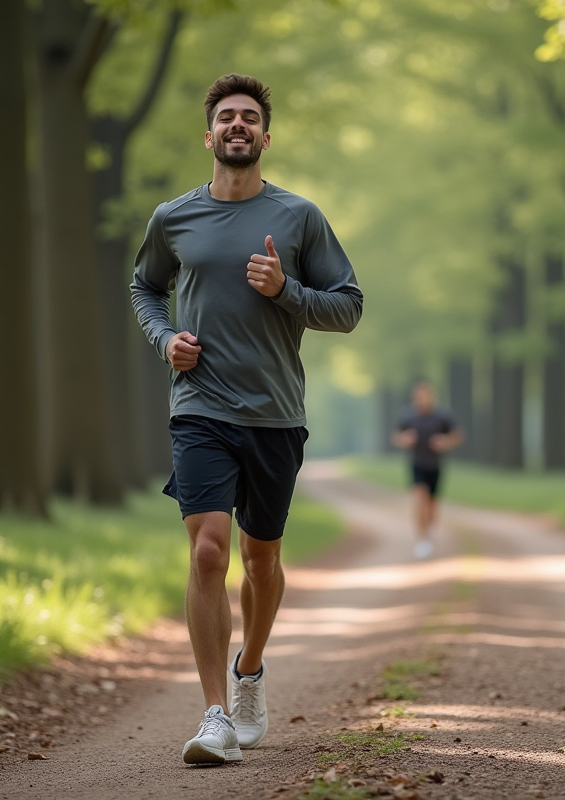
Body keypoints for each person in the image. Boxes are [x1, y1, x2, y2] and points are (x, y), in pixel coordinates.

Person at [129, 73, 363, 766]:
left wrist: (285, 289)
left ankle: (250, 671)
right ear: (209, 135)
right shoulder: (174, 218)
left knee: (263, 562)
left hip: (275, 414)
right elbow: (145, 286)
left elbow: (347, 307)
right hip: (199, 406)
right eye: (227, 116)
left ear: (265, 136)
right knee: (207, 550)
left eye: (250, 117)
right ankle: (214, 718)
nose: (238, 125)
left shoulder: (299, 218)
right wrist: (164, 339)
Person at [392, 380, 462, 560]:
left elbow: (457, 435)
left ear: (431, 397)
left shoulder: (442, 416)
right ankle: (422, 539)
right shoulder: (408, 416)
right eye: (417, 397)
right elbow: (396, 436)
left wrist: (445, 442)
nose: (420, 400)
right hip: (417, 463)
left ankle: (429, 533)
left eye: (424, 396)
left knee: (432, 504)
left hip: (435, 465)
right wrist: (405, 439)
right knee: (419, 498)